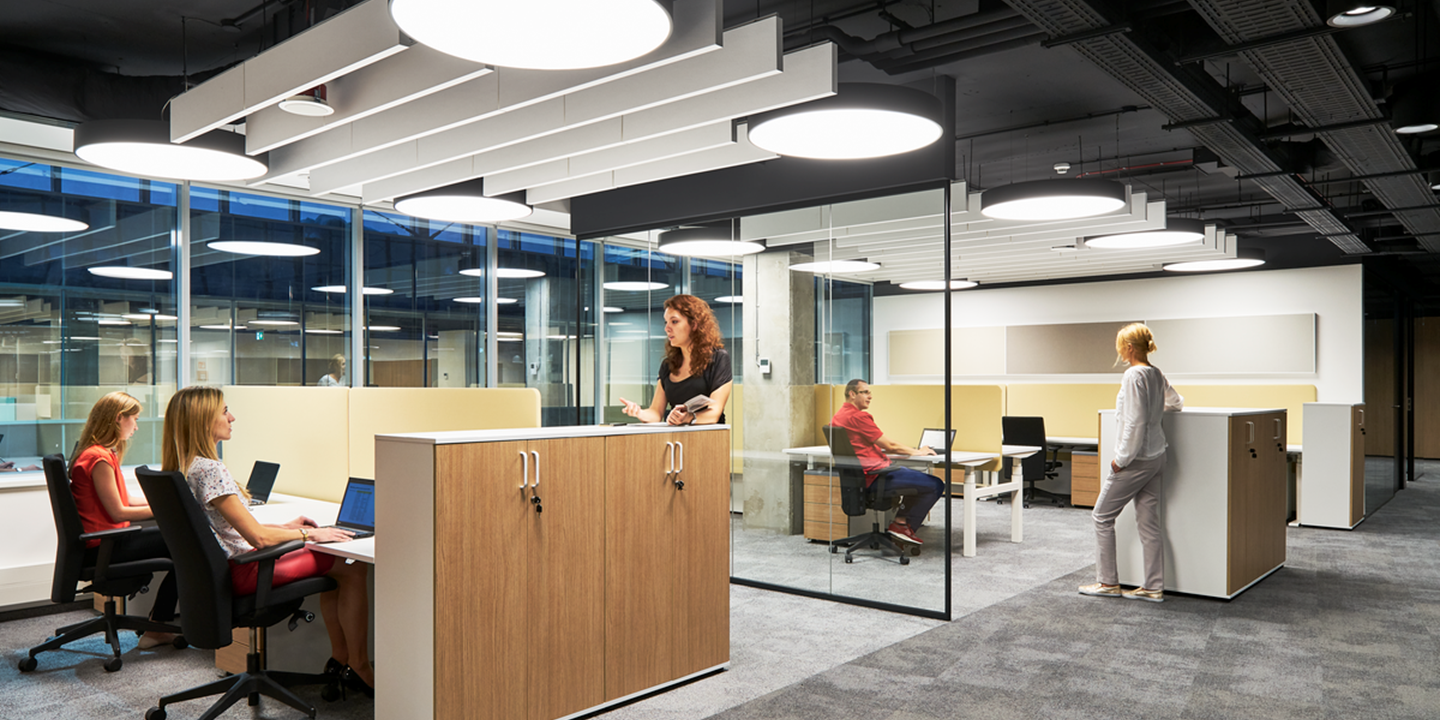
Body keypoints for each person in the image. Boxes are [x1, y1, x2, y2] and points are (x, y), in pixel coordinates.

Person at [161, 386, 374, 696]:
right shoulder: (212, 469)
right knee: (350, 565)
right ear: (204, 419)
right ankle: (358, 665)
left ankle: (341, 659)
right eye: (224, 411)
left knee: (339, 566)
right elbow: (258, 538)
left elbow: (228, 527)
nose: (231, 417)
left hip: (222, 571)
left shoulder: (188, 467)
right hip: (243, 571)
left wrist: (286, 526)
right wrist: (309, 534)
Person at [1080, 323, 1184, 603]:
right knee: (1149, 523)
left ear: (1128, 348)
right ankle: (1153, 587)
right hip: (1157, 457)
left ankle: (1108, 582)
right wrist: (1154, 408)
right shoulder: (1156, 373)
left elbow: (1134, 422)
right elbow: (1176, 403)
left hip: (1136, 460)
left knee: (1101, 516)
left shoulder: (1133, 375)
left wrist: (1120, 460)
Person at [69, 391, 179, 649]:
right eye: (135, 419)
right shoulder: (99, 459)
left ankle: (159, 623)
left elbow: (125, 498)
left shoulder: (98, 452)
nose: (137, 426)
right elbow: (119, 512)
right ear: (119, 418)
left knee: (177, 544)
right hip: (104, 548)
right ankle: (159, 626)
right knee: (187, 547)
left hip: (104, 544)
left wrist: (166, 502)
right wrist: (166, 512)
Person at [829, 379, 946, 547]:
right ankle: (901, 526)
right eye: (865, 392)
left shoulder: (838, 416)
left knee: (914, 477)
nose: (870, 396)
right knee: (935, 484)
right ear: (852, 394)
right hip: (876, 477)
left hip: (861, 479)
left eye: (870, 393)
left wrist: (906, 450)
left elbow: (872, 444)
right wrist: (918, 452)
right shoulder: (858, 416)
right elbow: (889, 445)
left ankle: (901, 524)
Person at [619, 294, 733, 425]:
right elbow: (656, 413)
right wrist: (639, 412)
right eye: (666, 322)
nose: (667, 328)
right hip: (676, 439)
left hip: (709, 438)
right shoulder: (668, 365)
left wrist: (689, 417)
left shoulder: (718, 358)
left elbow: (714, 413)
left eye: (674, 321)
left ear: (694, 324)